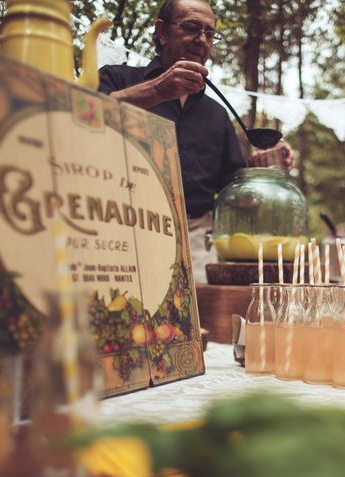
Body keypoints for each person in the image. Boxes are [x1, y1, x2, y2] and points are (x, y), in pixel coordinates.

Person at [98, 0, 292, 283]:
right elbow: (85, 115)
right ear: (161, 32)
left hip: (196, 242)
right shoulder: (117, 78)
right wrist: (157, 90)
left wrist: (260, 168)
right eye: (190, 27)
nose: (201, 39)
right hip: (122, 227)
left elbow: (231, 187)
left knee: (201, 324)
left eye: (209, 33)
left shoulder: (217, 114)